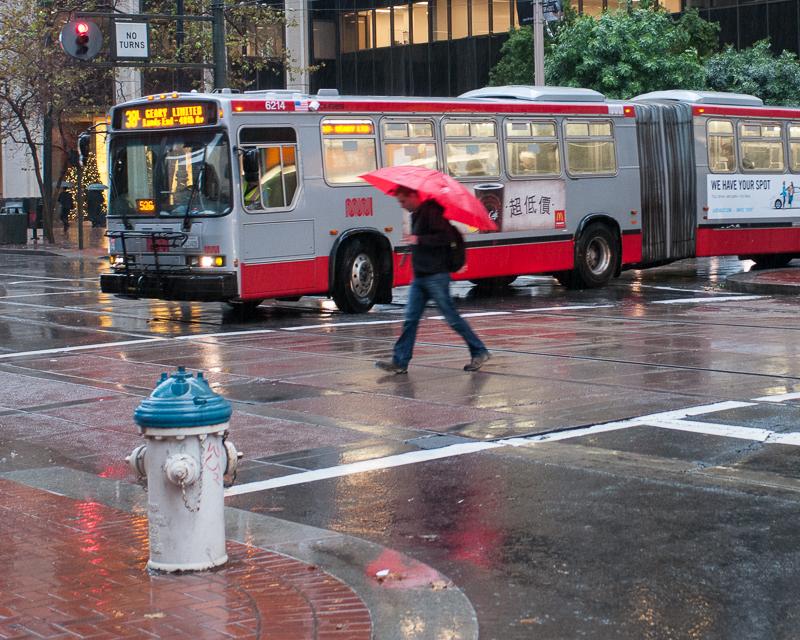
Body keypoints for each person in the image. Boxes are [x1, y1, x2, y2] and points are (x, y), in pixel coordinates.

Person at [375, 186, 491, 374]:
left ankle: (479, 350)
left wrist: (418, 240)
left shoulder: (432, 211)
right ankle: (400, 361)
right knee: (410, 319)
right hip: (421, 276)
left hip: (436, 275)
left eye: (403, 201)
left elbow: (443, 238)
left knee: (452, 318)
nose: (403, 206)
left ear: (413, 195)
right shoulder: (417, 213)